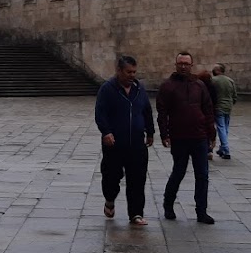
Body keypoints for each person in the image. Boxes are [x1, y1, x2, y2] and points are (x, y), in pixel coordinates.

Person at [94, 54, 154, 225]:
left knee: (137, 179)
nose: (132, 75)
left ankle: (136, 213)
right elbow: (100, 113)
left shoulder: (139, 89)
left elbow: (147, 111)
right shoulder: (107, 89)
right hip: (114, 143)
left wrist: (150, 132)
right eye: (128, 72)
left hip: (136, 143)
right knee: (111, 176)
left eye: (134, 72)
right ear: (119, 71)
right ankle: (110, 199)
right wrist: (106, 132)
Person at [157, 51, 216, 224]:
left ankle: (201, 211)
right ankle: (168, 204)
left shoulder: (199, 85)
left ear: (191, 65)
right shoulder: (167, 86)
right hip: (179, 137)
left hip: (199, 137)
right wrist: (164, 134)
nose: (183, 66)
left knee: (202, 175)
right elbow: (162, 113)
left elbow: (208, 109)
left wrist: (212, 134)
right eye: (180, 63)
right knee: (179, 172)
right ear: (176, 65)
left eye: (186, 63)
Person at [211, 64, 237, 159]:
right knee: (225, 128)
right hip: (228, 107)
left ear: (218, 70)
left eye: (214, 69)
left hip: (218, 107)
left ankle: (226, 149)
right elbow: (234, 95)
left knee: (221, 128)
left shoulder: (213, 80)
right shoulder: (230, 81)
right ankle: (222, 149)